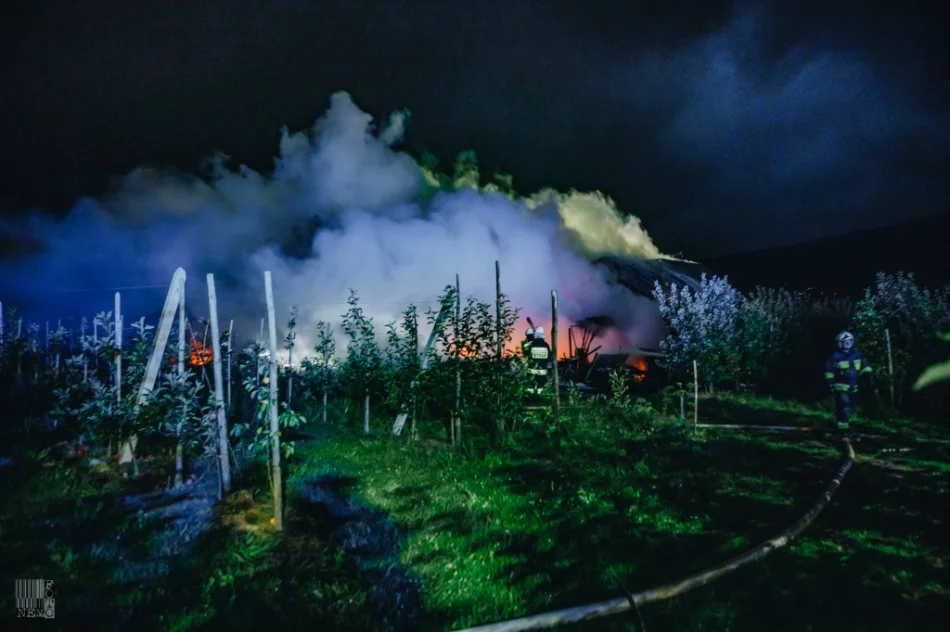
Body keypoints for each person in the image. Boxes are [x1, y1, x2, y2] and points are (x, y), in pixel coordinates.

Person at [824, 331, 874, 431]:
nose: (847, 343)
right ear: (839, 343)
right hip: (841, 387)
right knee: (844, 406)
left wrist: (870, 379)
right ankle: (843, 429)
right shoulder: (835, 356)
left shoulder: (857, 354)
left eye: (849, 341)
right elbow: (829, 372)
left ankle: (841, 425)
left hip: (853, 387)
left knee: (849, 408)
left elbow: (865, 367)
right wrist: (830, 385)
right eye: (844, 341)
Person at [526, 326, 552, 395]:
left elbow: (526, 355)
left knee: (531, 386)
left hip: (532, 371)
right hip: (542, 371)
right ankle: (540, 397)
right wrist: (549, 369)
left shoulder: (531, 344)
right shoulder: (546, 345)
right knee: (541, 387)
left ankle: (530, 397)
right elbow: (550, 358)